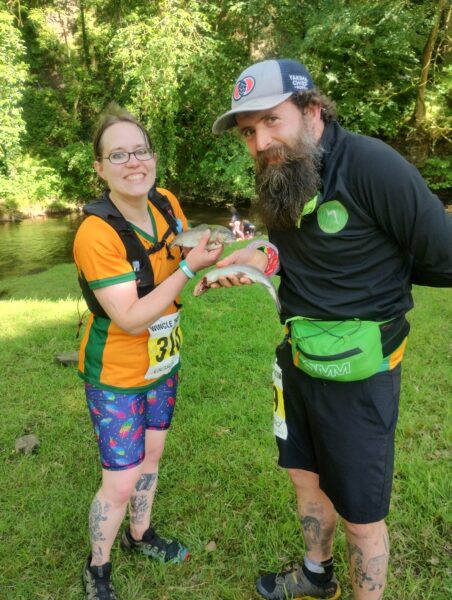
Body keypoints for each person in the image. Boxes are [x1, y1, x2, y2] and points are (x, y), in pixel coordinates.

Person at [211, 59, 452, 600]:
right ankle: (316, 577)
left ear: (312, 109)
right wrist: (259, 260)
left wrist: (383, 272)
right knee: (303, 474)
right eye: (249, 131)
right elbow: (293, 253)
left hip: (360, 369)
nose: (261, 140)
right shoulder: (281, 171)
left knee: (362, 514)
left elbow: (446, 256)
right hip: (297, 355)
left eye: (272, 120)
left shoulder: (373, 166)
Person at [73, 103, 222, 599]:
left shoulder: (165, 202)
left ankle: (142, 535)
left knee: (152, 456)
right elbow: (131, 317)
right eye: (119, 155)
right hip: (116, 372)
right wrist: (188, 270)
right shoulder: (95, 234)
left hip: (163, 361)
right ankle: (98, 567)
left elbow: (185, 248)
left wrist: (237, 256)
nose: (134, 162)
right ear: (99, 168)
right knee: (119, 480)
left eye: (141, 151)